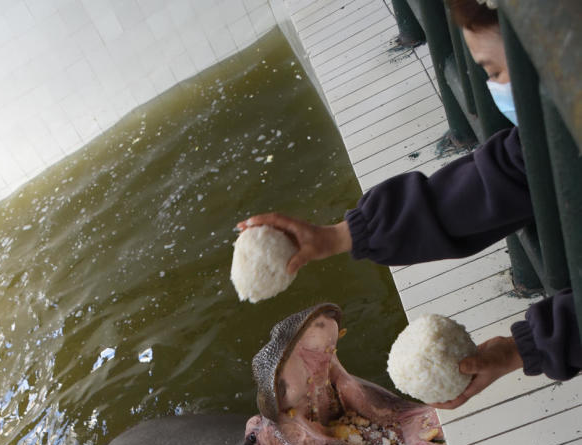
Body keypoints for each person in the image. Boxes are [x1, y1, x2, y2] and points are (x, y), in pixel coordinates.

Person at [237, 0, 581, 409]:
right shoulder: (549, 135)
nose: (494, 89)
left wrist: (527, 347)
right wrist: (339, 236)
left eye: (494, 71)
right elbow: (486, 186)